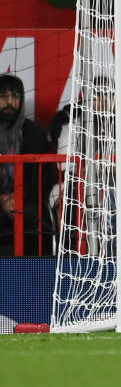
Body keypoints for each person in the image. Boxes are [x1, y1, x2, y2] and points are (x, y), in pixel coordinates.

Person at [52, 75, 121, 255]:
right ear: (86, 98)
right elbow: (63, 163)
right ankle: (105, 254)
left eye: (109, 95)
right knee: (106, 198)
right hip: (86, 185)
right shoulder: (74, 121)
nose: (103, 100)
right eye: (97, 95)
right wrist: (93, 169)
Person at [0, 73, 52, 256]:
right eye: (3, 96)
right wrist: (3, 199)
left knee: (33, 213)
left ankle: (33, 271)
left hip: (26, 200)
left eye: (15, 96)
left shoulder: (34, 133)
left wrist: (19, 195)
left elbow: (46, 176)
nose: (9, 101)